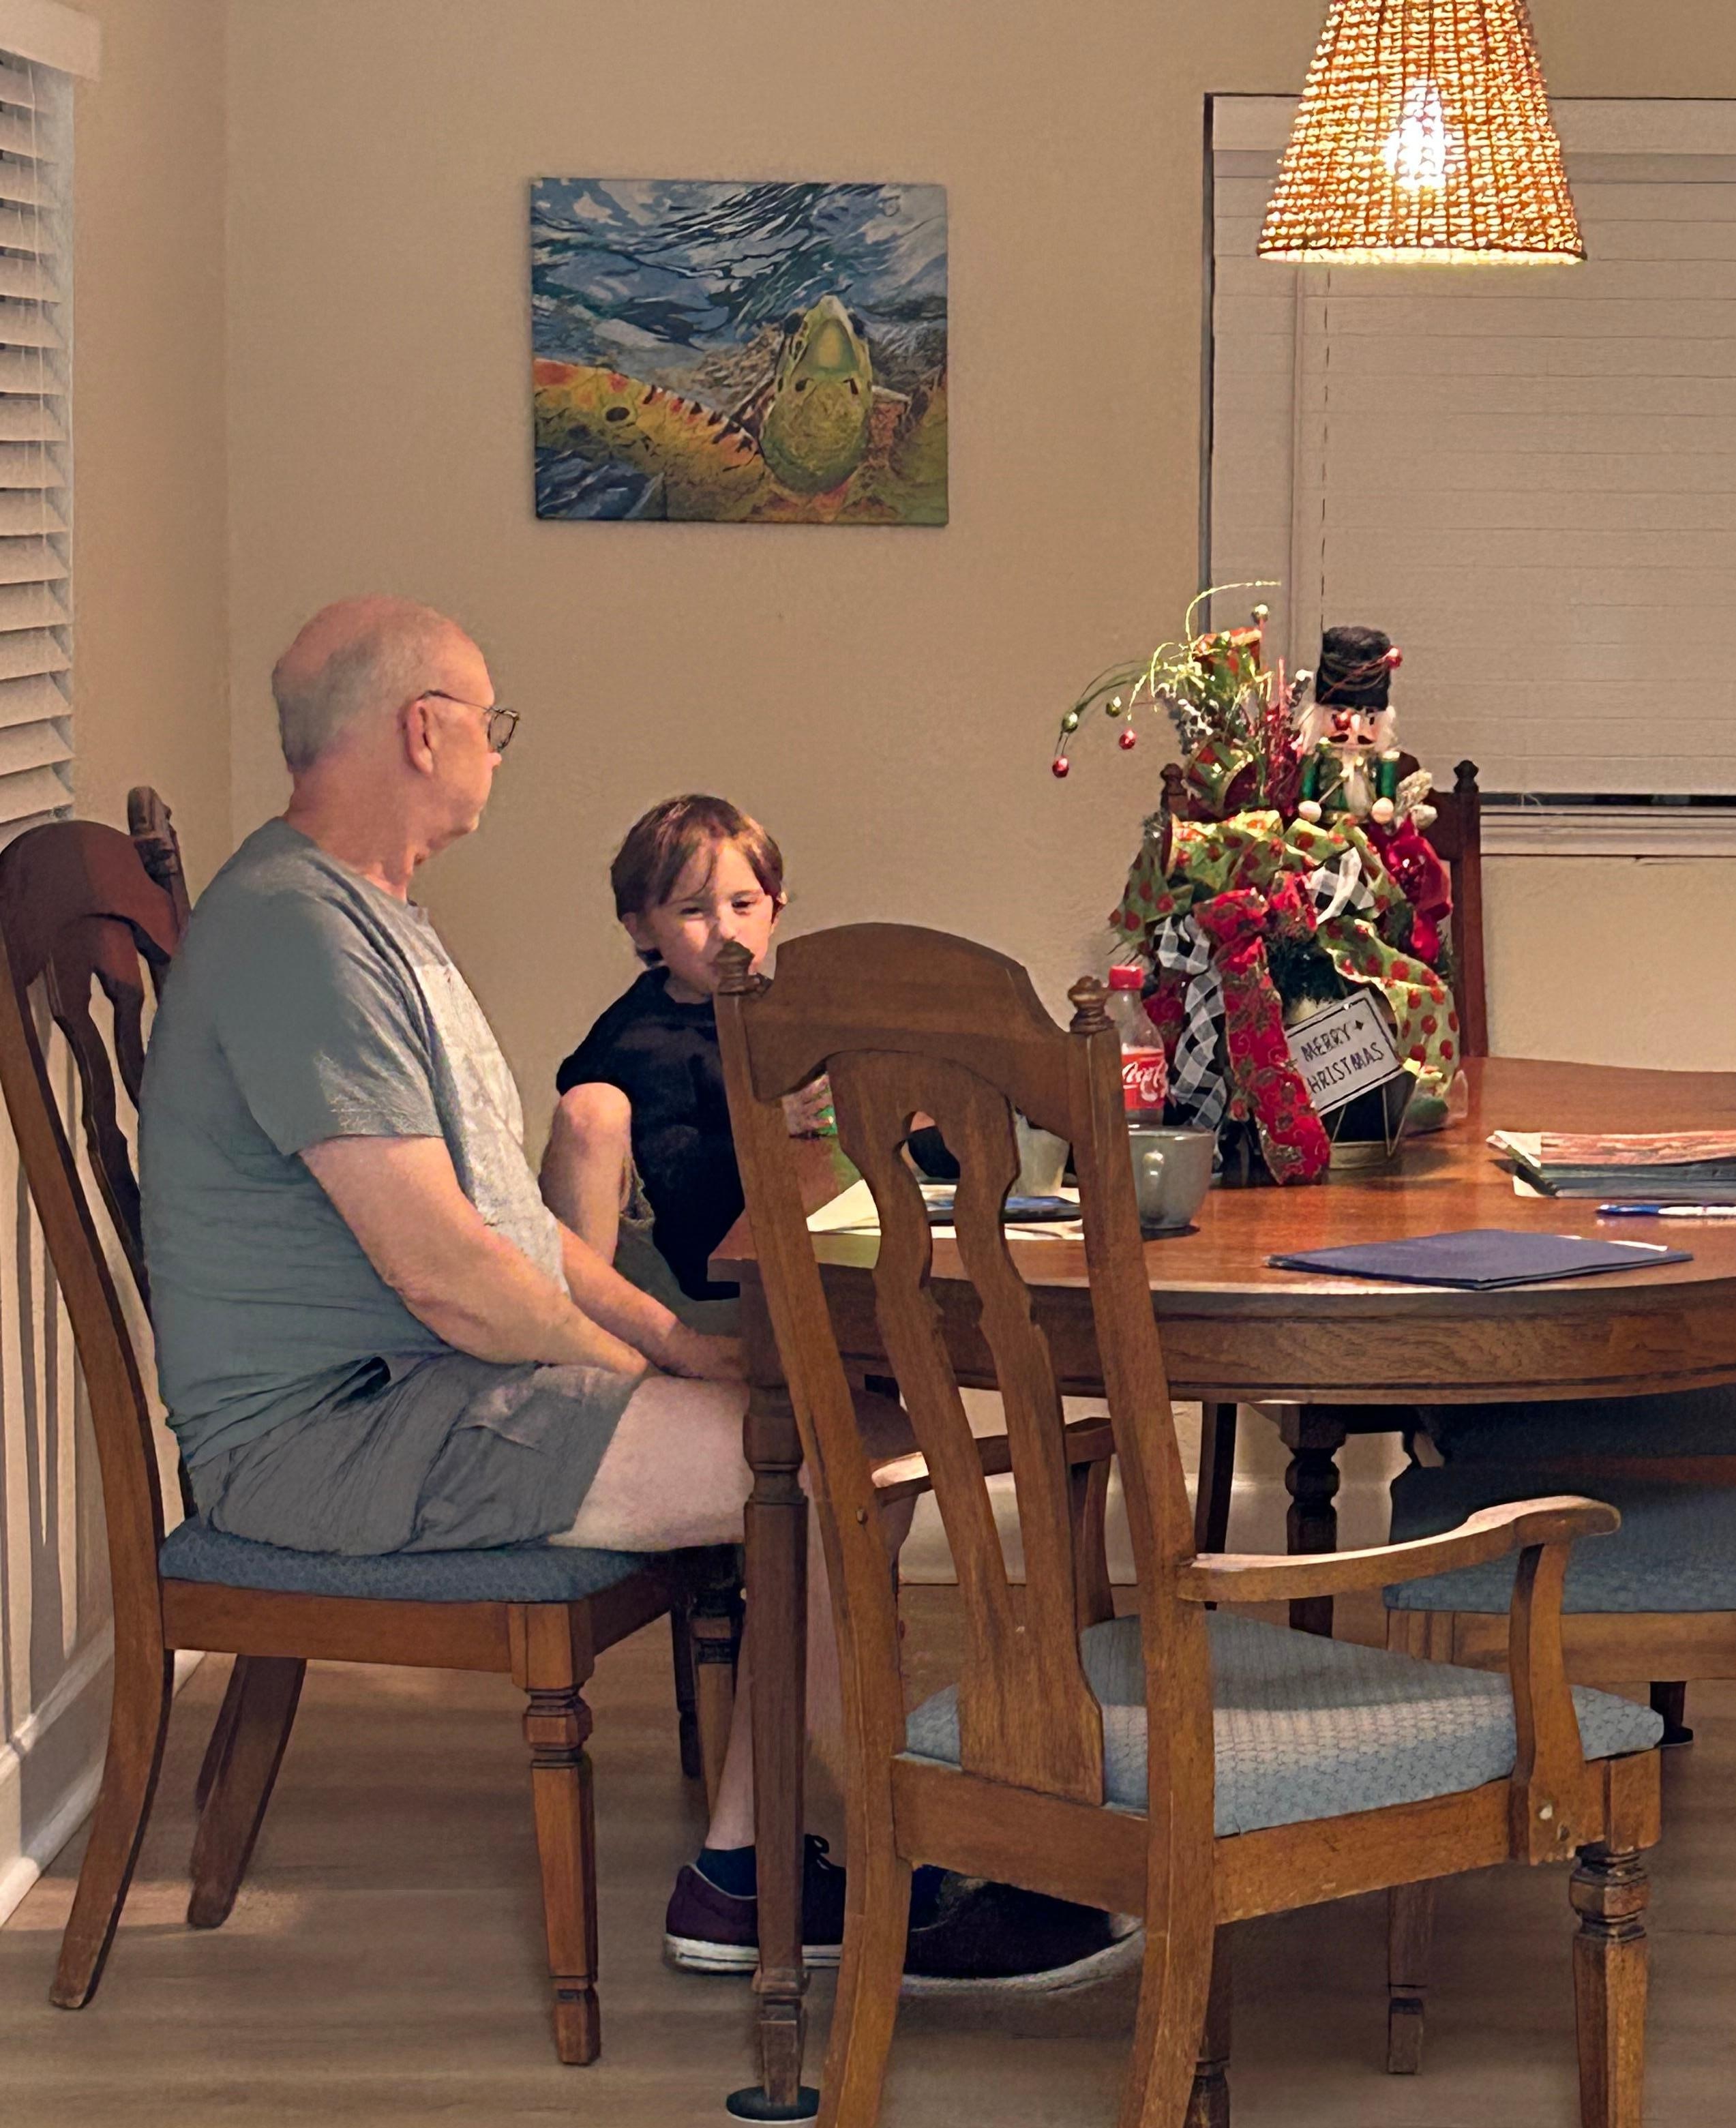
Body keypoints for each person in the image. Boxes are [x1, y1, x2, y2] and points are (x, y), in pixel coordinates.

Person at [139, 598, 1125, 1992]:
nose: (497, 749)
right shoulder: (303, 937)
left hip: (422, 1399)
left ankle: (763, 1862)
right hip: (343, 1439)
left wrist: (676, 1341)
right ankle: (840, 1863)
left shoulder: (374, 924)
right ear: (425, 731)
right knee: (846, 1449)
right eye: (491, 721)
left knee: (837, 1416)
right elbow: (449, 1280)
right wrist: (650, 1380)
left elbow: (511, 1241)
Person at [541, 787, 1135, 1992]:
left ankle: (789, 1844)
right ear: (640, 928)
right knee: (867, 1468)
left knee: (894, 1435)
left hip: (783, 1316)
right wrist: (800, 1118)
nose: (726, 931)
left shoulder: (775, 1021)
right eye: (692, 909)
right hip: (706, 1328)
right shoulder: (631, 1056)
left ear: (782, 908)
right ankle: (890, 1828)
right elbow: (709, 1206)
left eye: (747, 904)